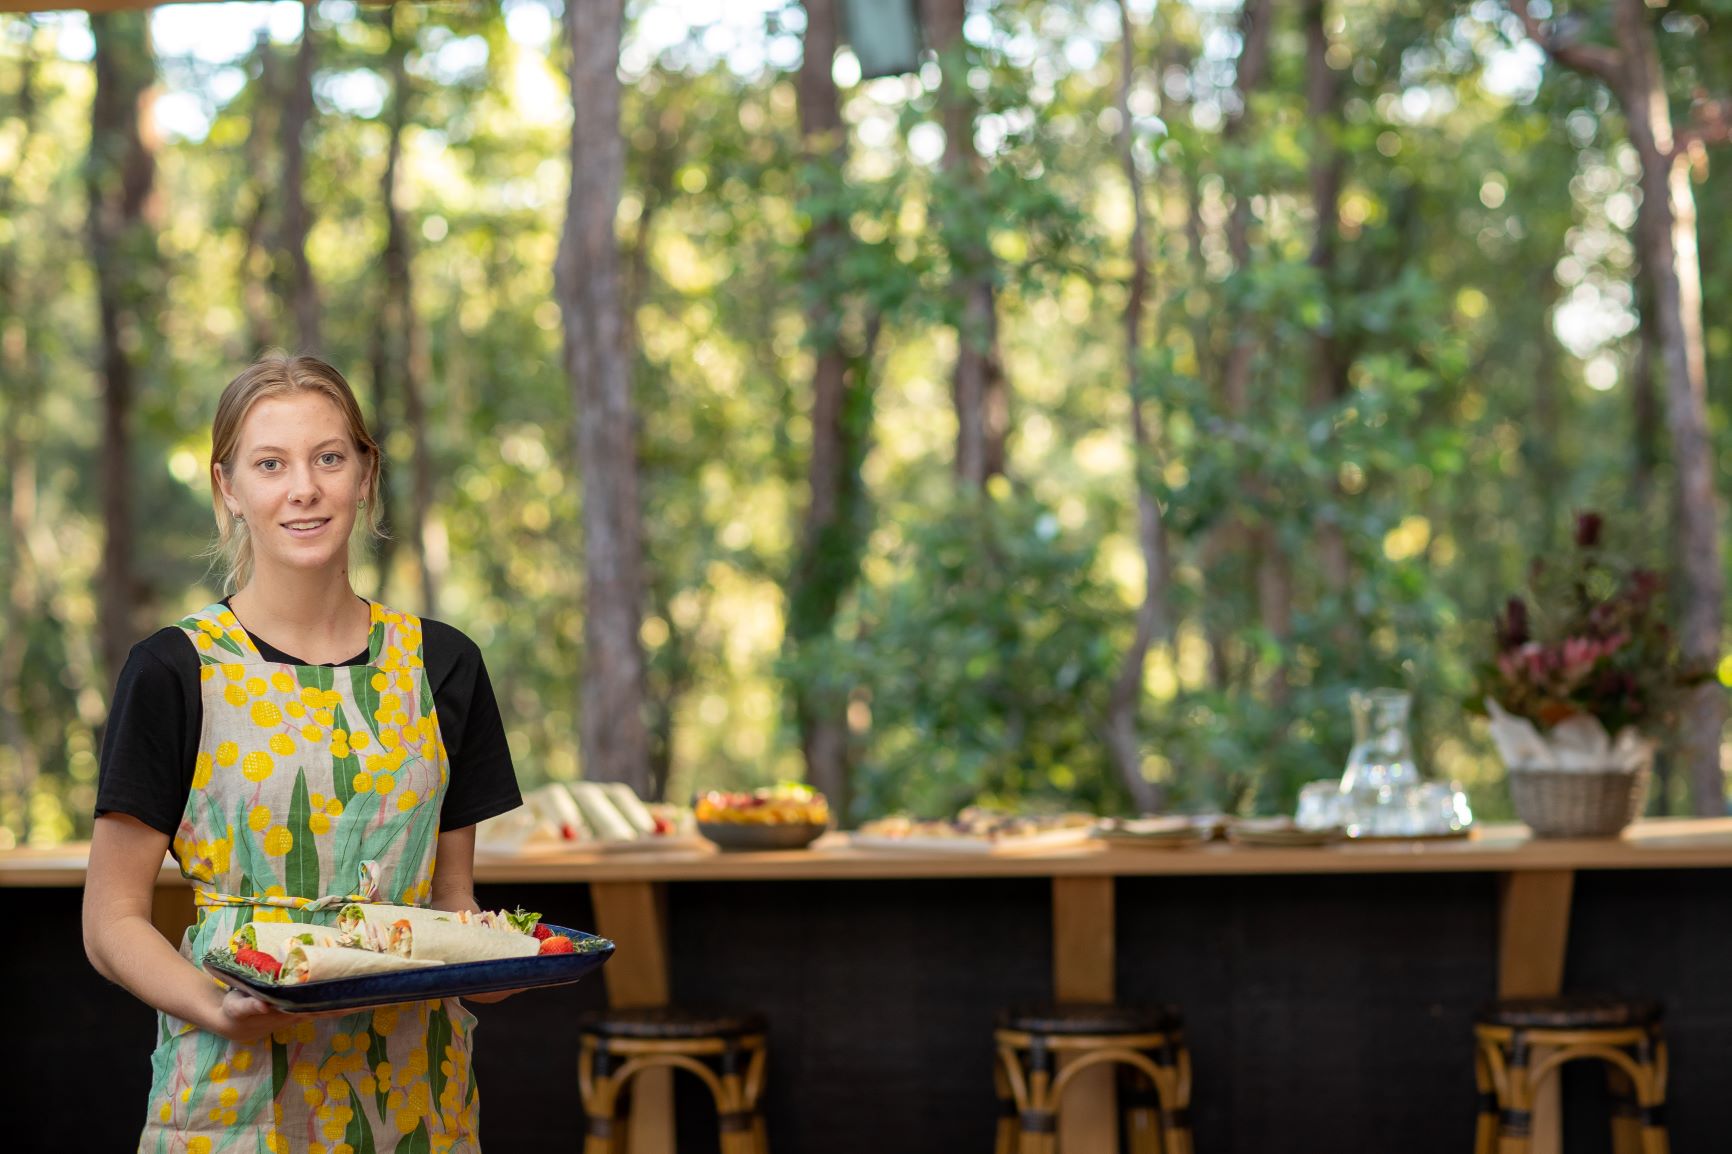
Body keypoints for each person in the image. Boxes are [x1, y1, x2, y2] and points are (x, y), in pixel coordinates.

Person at [84, 353, 522, 1153]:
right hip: (232, 1094)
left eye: (329, 457)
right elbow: (110, 920)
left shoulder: (444, 664)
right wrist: (216, 1006)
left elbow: (451, 900)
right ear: (229, 488)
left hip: (417, 1096)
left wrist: (501, 961)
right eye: (271, 464)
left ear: (365, 473)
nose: (303, 489)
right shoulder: (174, 670)